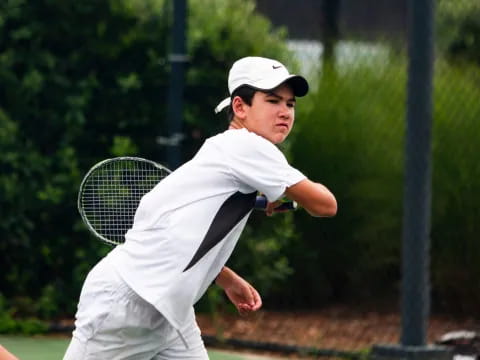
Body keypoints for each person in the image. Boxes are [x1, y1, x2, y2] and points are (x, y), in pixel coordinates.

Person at [63, 56, 337, 360]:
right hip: (127, 305)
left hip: (171, 314)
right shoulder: (248, 147)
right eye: (273, 100)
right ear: (240, 107)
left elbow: (183, 236)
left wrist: (226, 278)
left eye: (290, 104)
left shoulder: (222, 153)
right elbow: (326, 205)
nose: (284, 111)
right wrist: (292, 198)